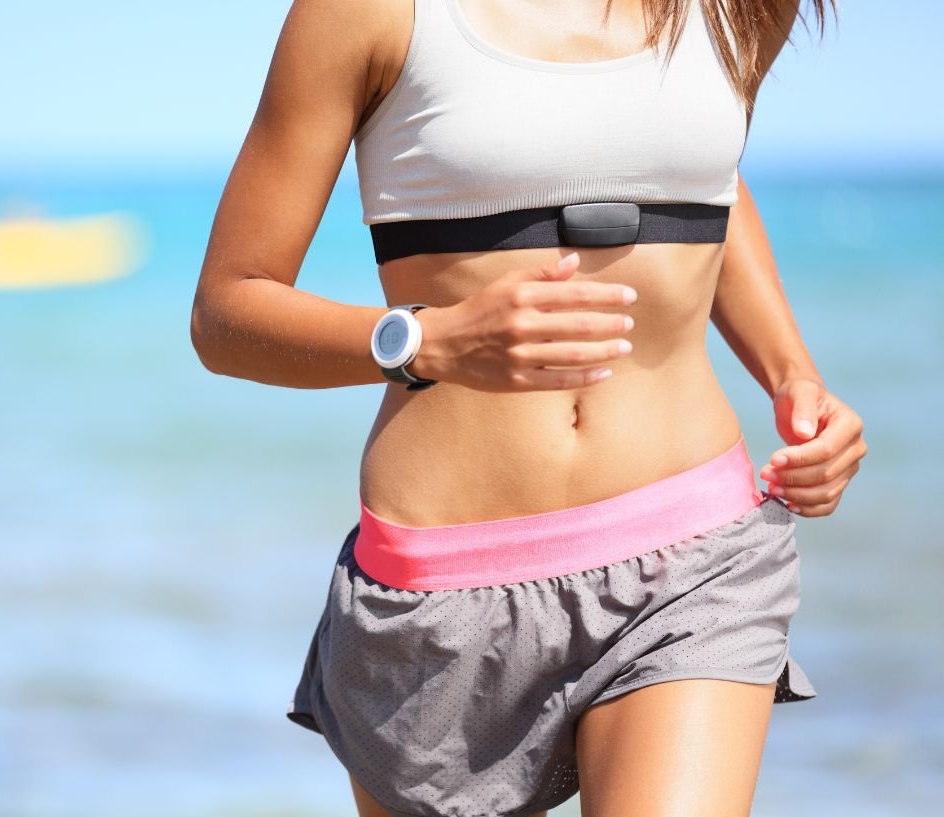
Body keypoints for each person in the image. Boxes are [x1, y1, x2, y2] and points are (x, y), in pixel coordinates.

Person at [189, 0, 867, 815]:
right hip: (440, 593)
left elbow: (702, 173)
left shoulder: (740, 7)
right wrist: (427, 343)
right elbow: (227, 313)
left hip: (693, 557)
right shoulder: (364, 13)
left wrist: (792, 372)